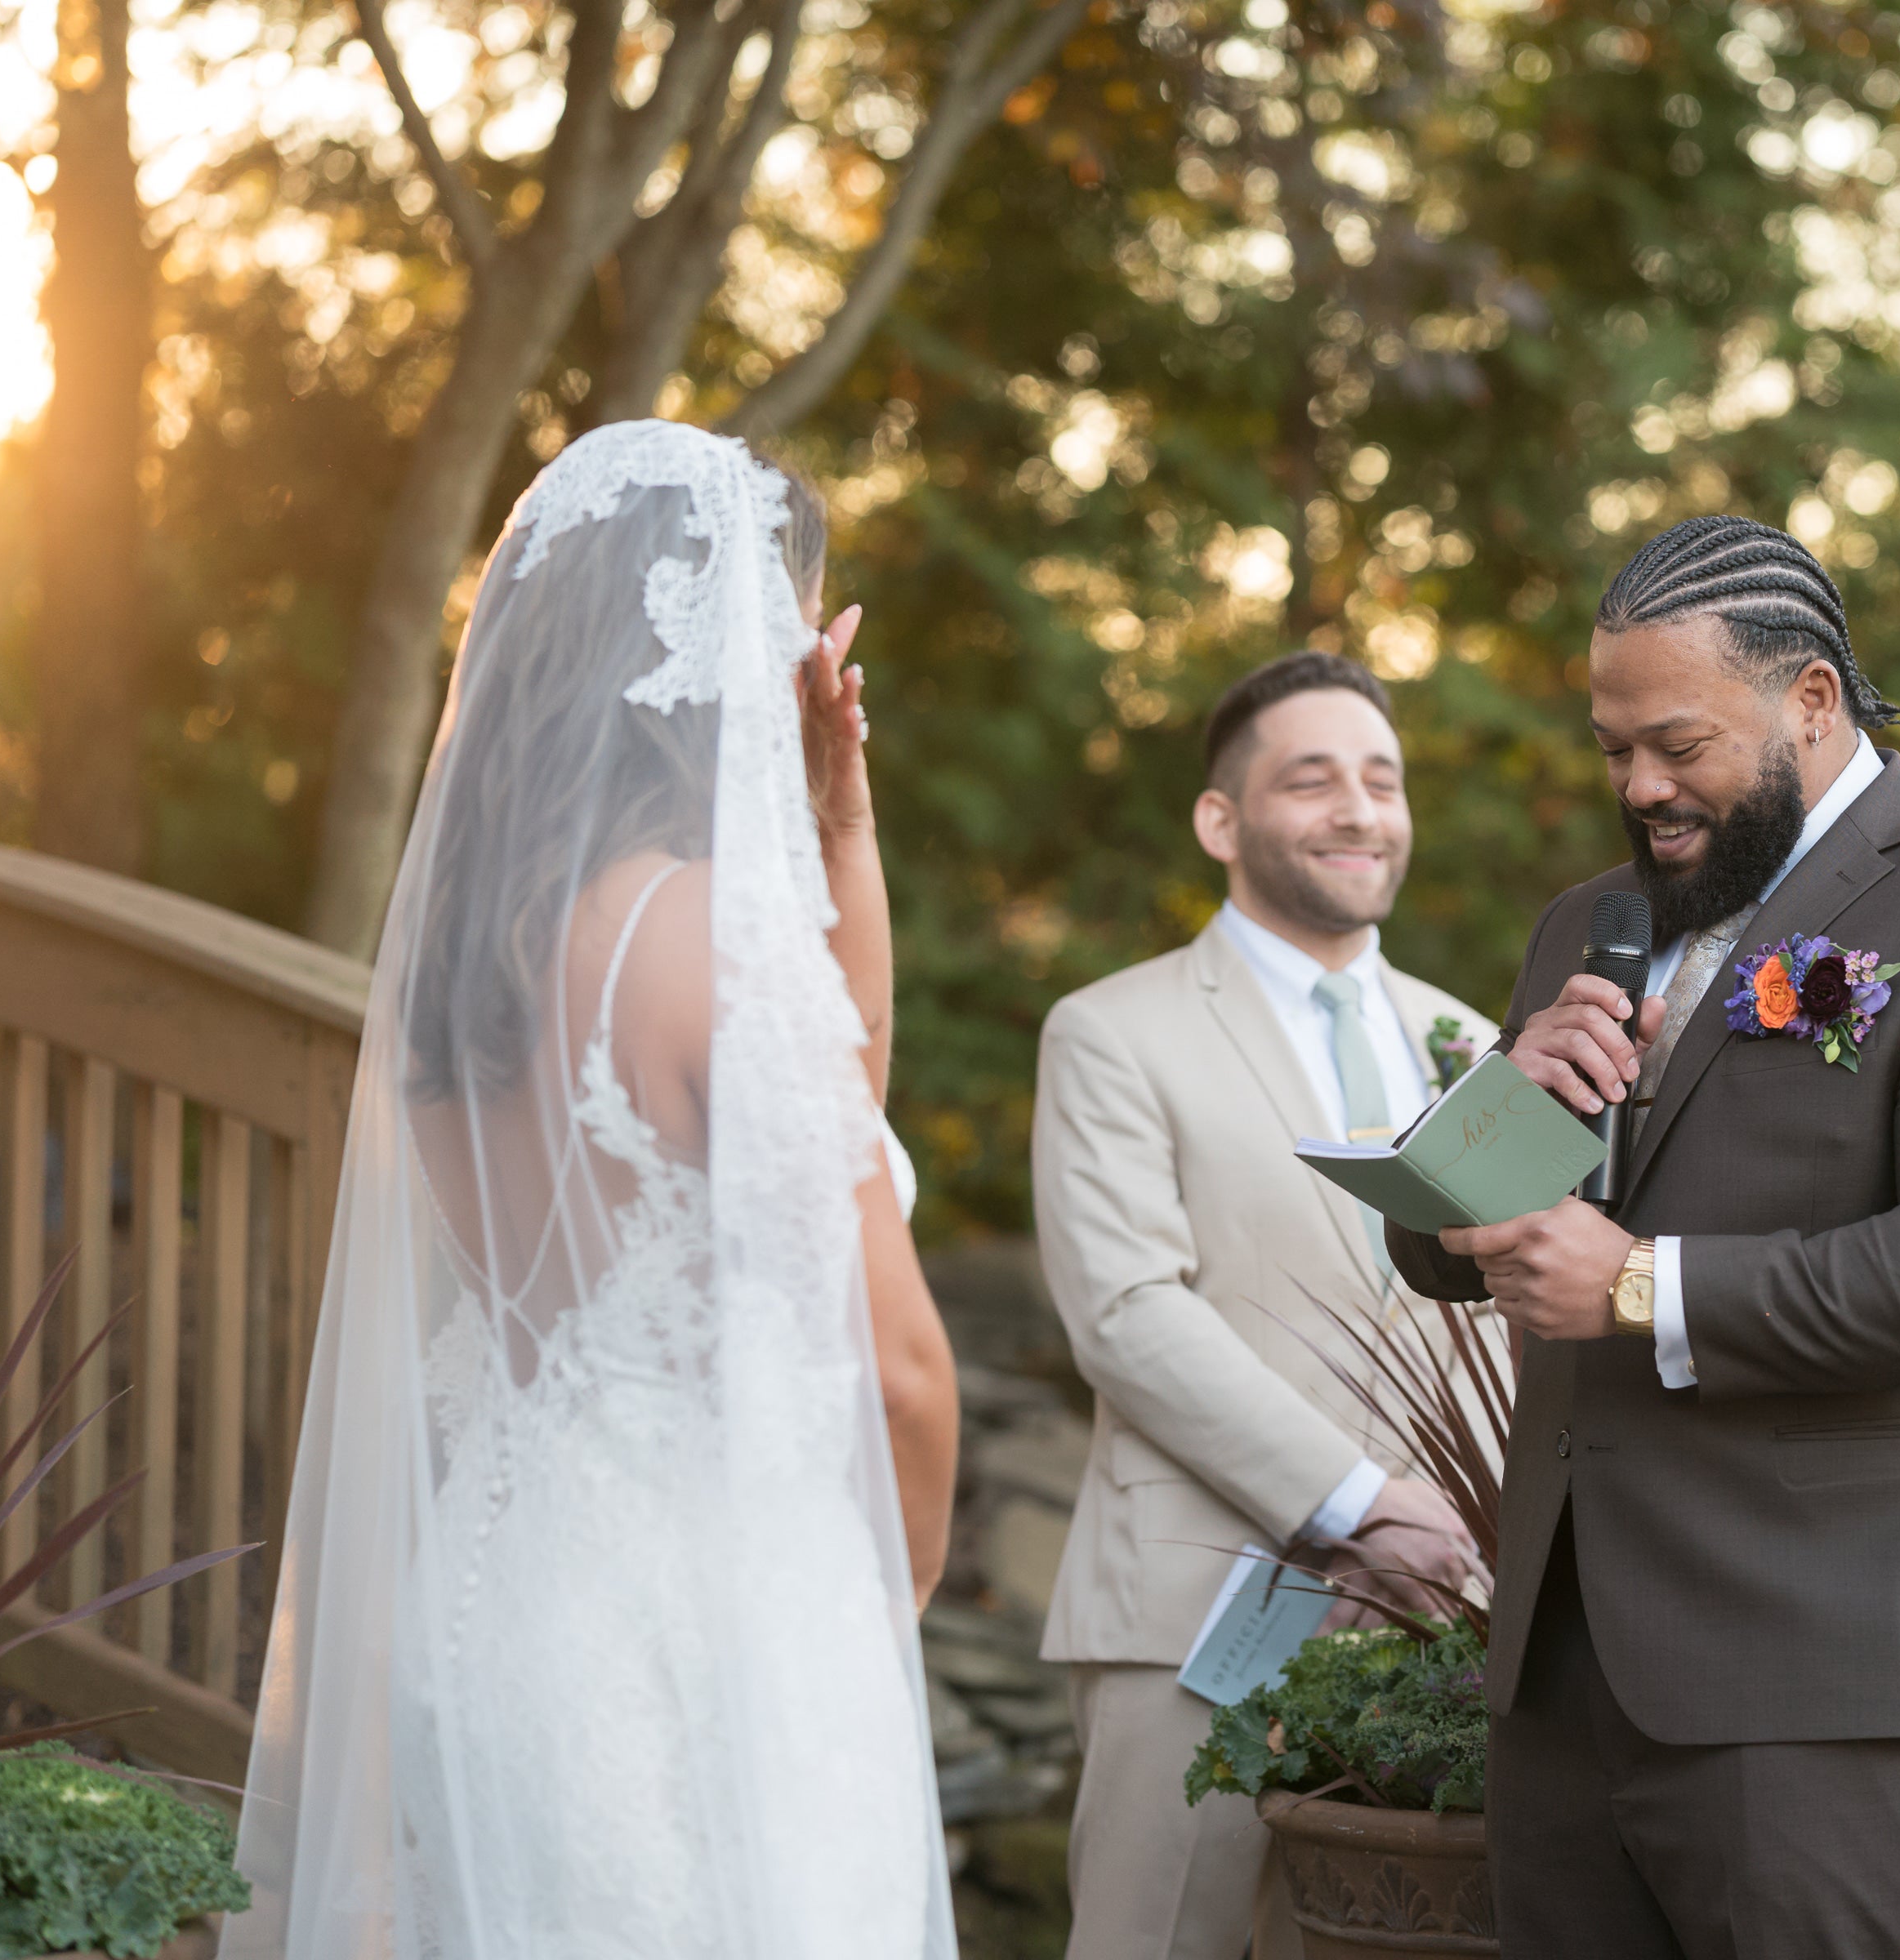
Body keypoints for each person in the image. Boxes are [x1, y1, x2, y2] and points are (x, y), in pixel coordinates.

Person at [230, 421, 960, 1959]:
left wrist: (841, 822)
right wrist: (877, 1621)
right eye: (783, 616)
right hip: (699, 1646)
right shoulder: (701, 940)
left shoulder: (460, 967)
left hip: (501, 1609)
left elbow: (845, 1105)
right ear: (699, 651)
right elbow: (900, 1371)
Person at [1386, 515, 1900, 1958]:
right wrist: (1499, 1107)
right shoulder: (1581, 925)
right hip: (1565, 1672)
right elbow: (1442, 1255)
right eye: (1613, 751)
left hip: (1821, 1679)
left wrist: (1643, 1285)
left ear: (1810, 702)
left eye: (1677, 744)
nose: (1641, 788)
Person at [1031, 651, 1500, 1960]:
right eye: (1313, 779)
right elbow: (1126, 1313)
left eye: (1382, 779)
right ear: (1222, 821)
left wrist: (1461, 1531)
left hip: (1433, 1616)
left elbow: (1506, 1315)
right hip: (1200, 1609)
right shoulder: (1113, 1033)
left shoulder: (1468, 1043)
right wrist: (1355, 1505)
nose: (1360, 809)